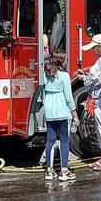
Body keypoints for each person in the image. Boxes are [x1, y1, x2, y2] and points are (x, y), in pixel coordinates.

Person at [75, 33, 101, 171]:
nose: (92, 50)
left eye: (94, 47)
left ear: (100, 47)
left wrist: (85, 79)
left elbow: (99, 79)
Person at [41, 52, 79, 181]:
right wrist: (75, 116)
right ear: (61, 61)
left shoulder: (46, 75)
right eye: (66, 59)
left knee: (50, 140)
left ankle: (49, 171)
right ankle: (64, 171)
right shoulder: (64, 76)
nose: (67, 61)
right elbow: (68, 98)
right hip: (63, 111)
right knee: (64, 141)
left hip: (49, 111)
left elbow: (42, 94)